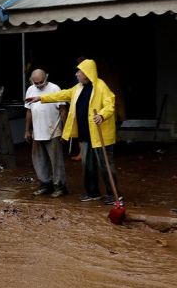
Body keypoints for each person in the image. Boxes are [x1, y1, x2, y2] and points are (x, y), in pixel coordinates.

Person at [27, 58, 119, 204]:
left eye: (79, 72)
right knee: (87, 166)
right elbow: (61, 95)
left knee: (105, 165)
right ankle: (92, 192)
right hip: (85, 134)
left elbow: (110, 104)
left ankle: (114, 195)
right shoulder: (78, 88)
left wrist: (102, 115)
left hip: (100, 135)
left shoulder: (101, 87)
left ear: (87, 73)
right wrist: (41, 98)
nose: (77, 74)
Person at [23, 69, 68, 197]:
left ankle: (60, 186)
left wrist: (64, 129)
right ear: (32, 80)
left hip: (53, 130)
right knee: (39, 160)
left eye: (41, 82)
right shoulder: (30, 89)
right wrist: (27, 130)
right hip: (37, 130)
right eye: (36, 82)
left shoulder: (55, 88)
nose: (38, 85)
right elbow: (28, 111)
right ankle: (45, 184)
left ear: (46, 77)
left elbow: (63, 109)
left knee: (56, 160)